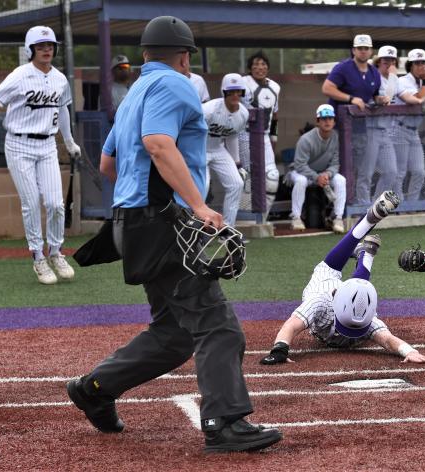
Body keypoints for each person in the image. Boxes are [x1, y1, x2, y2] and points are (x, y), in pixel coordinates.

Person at [69, 16, 282, 453]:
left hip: (134, 224)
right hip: (165, 222)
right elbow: (158, 144)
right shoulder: (177, 84)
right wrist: (199, 205)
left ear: (146, 54)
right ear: (185, 56)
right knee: (217, 325)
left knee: (174, 333)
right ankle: (224, 423)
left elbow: (108, 166)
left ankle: (95, 388)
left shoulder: (132, 94)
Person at [260, 191, 425, 365]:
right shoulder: (318, 302)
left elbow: (387, 339)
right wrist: (279, 350)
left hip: (349, 295)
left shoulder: (366, 314)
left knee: (360, 287)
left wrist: (409, 351)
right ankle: (367, 241)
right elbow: (291, 325)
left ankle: (367, 246)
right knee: (330, 266)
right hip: (324, 281)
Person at [0, 26, 80, 285]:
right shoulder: (19, 75)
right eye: (41, 46)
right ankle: (37, 256)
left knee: (55, 204)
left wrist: (69, 141)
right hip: (19, 145)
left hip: (47, 146)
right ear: (30, 50)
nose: (46, 50)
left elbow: (63, 109)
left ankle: (55, 251)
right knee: (31, 203)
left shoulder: (60, 79)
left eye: (50, 45)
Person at [323, 34, 381, 203]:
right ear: (354, 50)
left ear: (371, 51)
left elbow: (374, 96)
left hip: (360, 129)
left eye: (366, 49)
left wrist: (380, 100)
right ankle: (336, 205)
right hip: (337, 128)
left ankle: (353, 202)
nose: (363, 52)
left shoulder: (373, 72)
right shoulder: (343, 68)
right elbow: (327, 88)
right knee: (338, 166)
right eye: (360, 48)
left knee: (358, 167)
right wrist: (350, 99)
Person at [392, 49, 425, 201]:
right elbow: (416, 98)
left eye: (423, 63)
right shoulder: (402, 80)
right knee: (400, 173)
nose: (421, 66)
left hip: (414, 131)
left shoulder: (424, 83)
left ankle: (412, 204)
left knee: (419, 172)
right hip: (399, 129)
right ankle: (397, 206)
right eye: (417, 63)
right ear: (410, 65)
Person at [288, 105, 346, 232]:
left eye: (330, 118)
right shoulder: (306, 139)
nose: (327, 121)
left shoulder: (335, 137)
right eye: (324, 118)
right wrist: (316, 177)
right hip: (302, 173)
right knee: (300, 181)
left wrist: (328, 174)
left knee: (340, 180)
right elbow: (300, 165)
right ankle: (296, 218)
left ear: (334, 121)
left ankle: (338, 218)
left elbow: (335, 163)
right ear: (317, 121)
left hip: (322, 174)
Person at [355, 45, 399, 205]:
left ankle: (374, 205)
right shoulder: (372, 76)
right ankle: (363, 207)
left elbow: (406, 95)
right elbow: (380, 98)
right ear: (378, 61)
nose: (388, 63)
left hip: (386, 131)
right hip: (370, 129)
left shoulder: (394, 79)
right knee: (366, 173)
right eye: (385, 60)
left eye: (392, 60)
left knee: (391, 172)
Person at [203, 72, 249, 227]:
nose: (235, 95)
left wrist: (237, 163)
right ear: (224, 92)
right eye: (231, 91)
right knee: (203, 186)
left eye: (238, 91)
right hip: (199, 149)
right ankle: (197, 229)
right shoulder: (208, 109)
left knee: (236, 183)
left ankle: (227, 230)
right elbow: (190, 132)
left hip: (217, 148)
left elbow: (232, 136)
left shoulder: (243, 114)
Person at [239, 50, 282, 213]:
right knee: (247, 179)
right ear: (250, 68)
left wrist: (274, 138)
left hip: (264, 137)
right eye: (255, 64)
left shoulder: (275, 87)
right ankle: (243, 216)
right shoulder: (242, 83)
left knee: (273, 176)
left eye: (263, 64)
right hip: (244, 136)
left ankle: (262, 216)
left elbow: (275, 115)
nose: (259, 67)